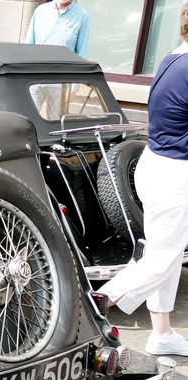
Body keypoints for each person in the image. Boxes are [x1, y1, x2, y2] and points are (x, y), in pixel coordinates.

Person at [97, 3, 188, 356]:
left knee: (167, 251)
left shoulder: (171, 58)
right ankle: (98, 302)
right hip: (175, 173)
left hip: (155, 164)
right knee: (162, 258)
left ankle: (162, 333)